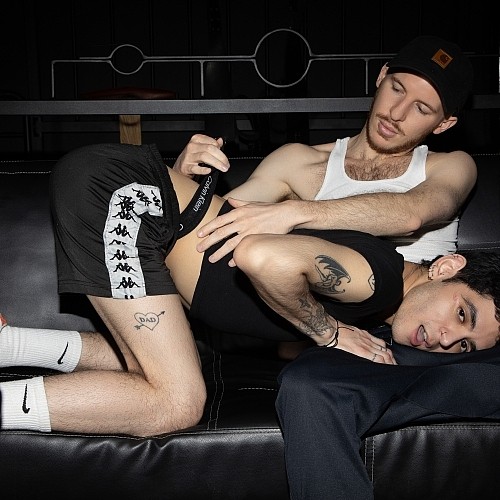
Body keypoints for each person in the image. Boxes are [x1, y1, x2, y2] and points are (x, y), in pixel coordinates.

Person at [0, 140, 499, 438]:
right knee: (176, 402)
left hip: (128, 200)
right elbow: (265, 258)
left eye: (463, 347)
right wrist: (327, 333)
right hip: (122, 197)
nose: (445, 339)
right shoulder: (381, 281)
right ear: (445, 267)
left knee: (162, 364)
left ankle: (9, 345)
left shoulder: (375, 302)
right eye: (462, 315)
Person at [180, 35, 476, 269]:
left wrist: (294, 213)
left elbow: (411, 215)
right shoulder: (297, 162)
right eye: (397, 89)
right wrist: (184, 176)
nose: (396, 113)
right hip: (314, 316)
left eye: (421, 108)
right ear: (381, 76)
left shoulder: (452, 166)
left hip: (419, 317)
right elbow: (210, 228)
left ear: (444, 124)